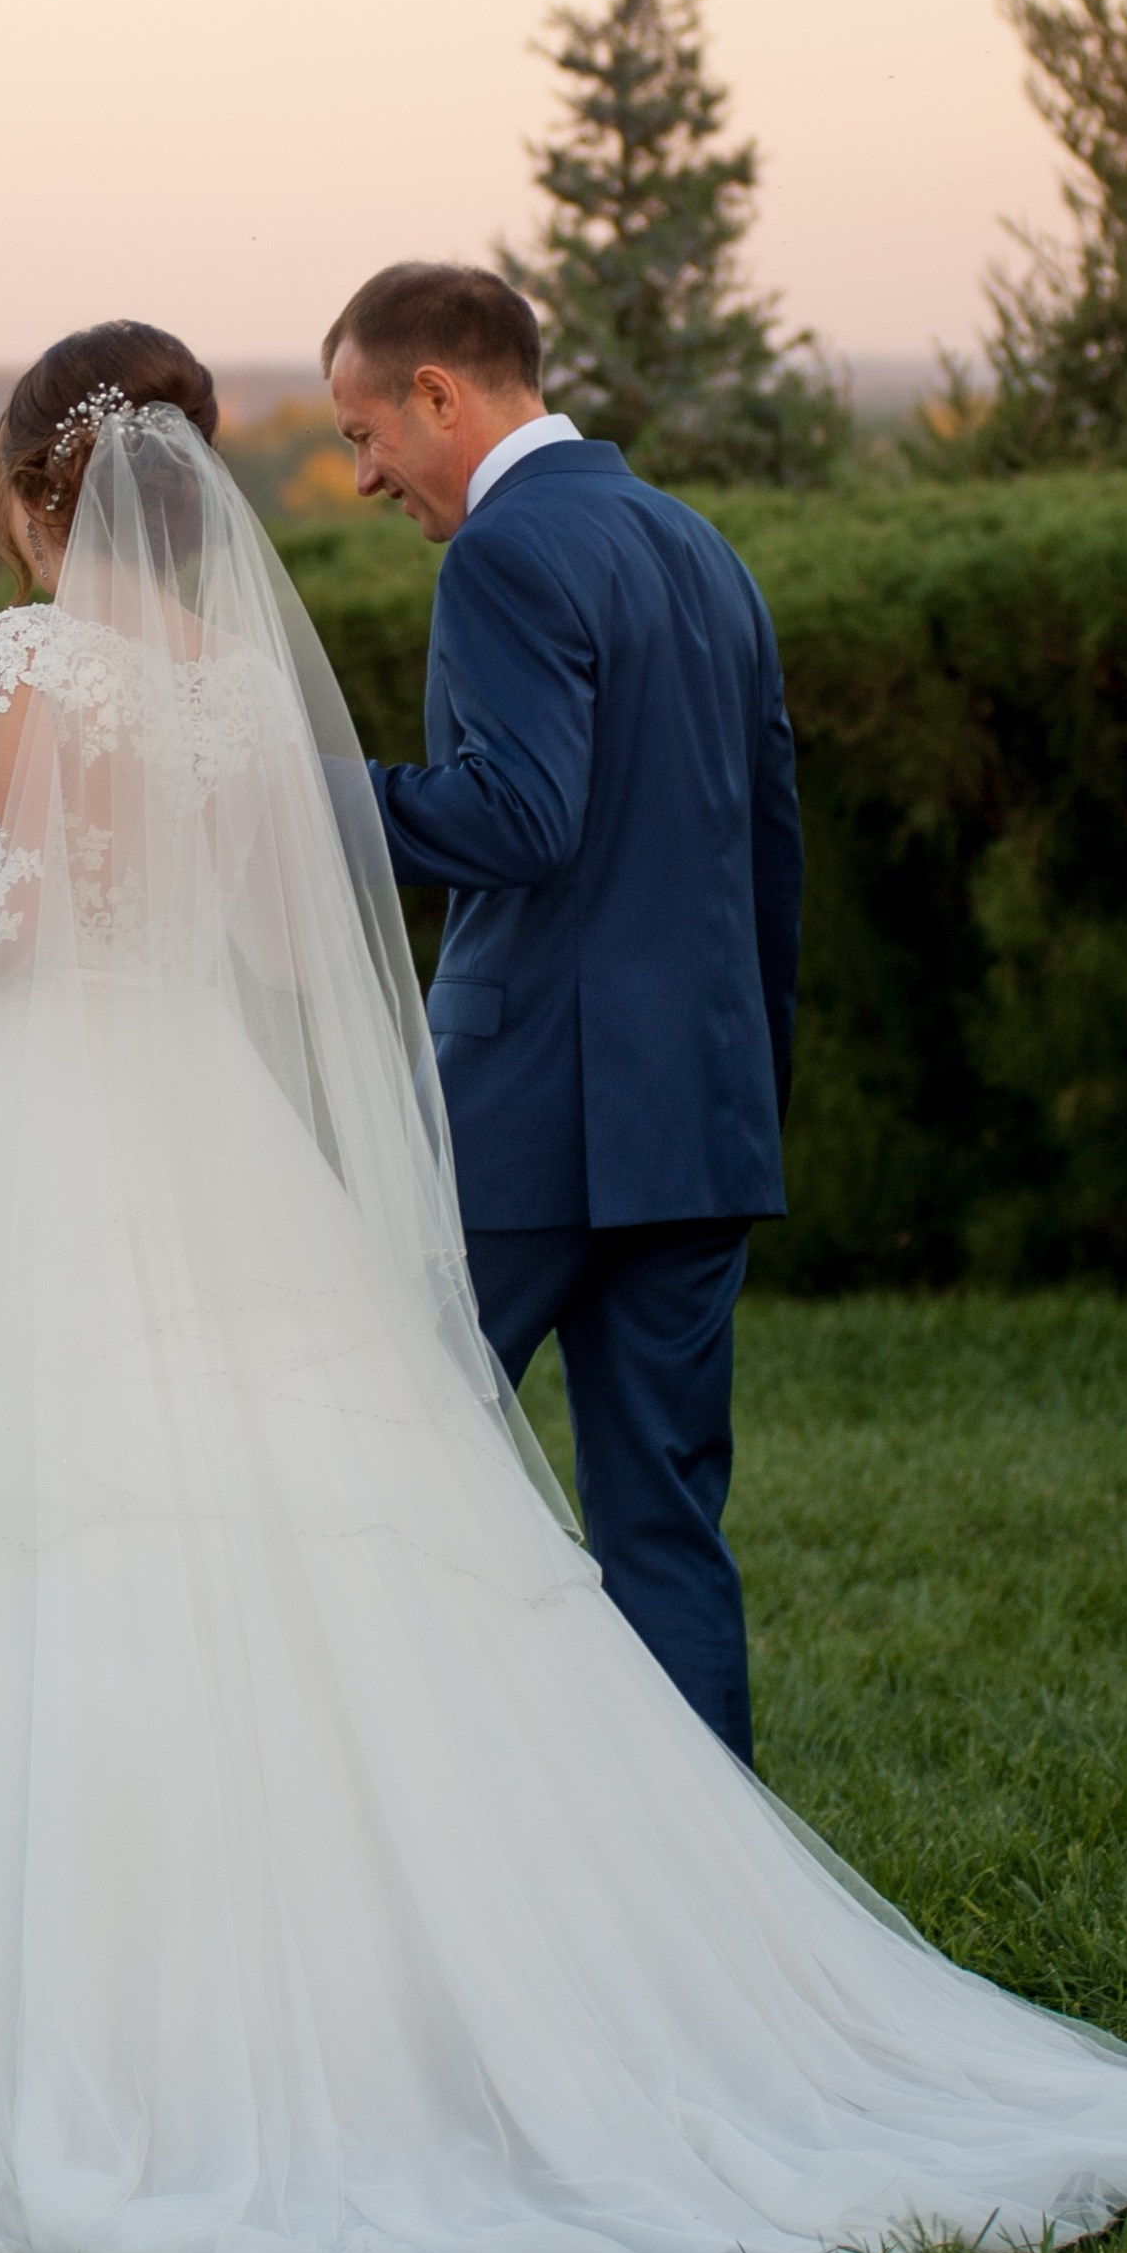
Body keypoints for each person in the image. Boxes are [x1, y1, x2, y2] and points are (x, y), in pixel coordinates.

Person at [0, 317, 1127, 2253]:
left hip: (48, 1132)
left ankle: (67, 2033)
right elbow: (256, 932)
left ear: (21, 486)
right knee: (375, 1553)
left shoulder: (24, 653)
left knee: (18, 1550)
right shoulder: (241, 681)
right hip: (223, 1141)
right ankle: (509, 1965)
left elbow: (3, 928)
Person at [321, 261, 796, 1764]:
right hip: (697, 1117)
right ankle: (710, 1916)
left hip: (537, 1115)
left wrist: (272, 793)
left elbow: (515, 818)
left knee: (375, 1458)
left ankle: (410, 1833)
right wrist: (744, 1085)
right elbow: (767, 844)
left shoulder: (507, 557)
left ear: (440, 394)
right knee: (666, 1526)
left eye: (363, 433)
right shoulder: (697, 544)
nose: (360, 478)